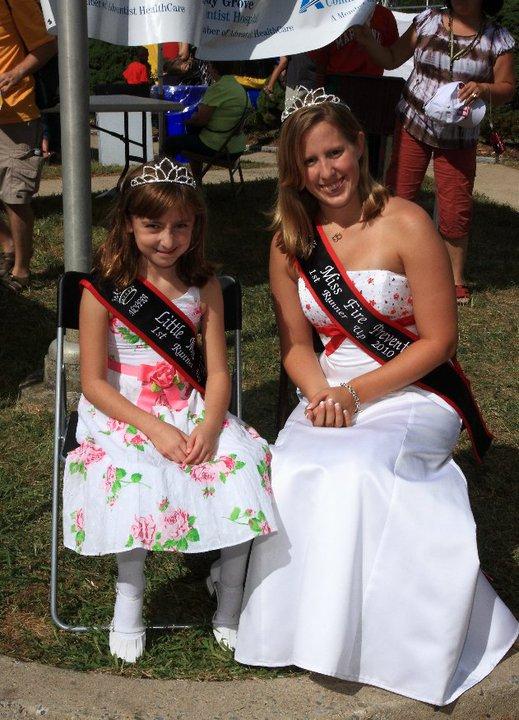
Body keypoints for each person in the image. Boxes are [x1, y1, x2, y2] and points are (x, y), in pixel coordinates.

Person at [234, 89, 518, 705]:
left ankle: (397, 639)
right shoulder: (290, 240)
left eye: (334, 152)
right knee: (296, 467)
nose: (326, 171)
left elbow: (440, 341)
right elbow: (296, 347)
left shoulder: (408, 223)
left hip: (412, 388)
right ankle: (304, 632)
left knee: (361, 468)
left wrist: (354, 395)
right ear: (294, 170)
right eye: (309, 162)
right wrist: (320, 395)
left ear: (360, 146)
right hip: (330, 386)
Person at [62, 157, 275, 662]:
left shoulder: (205, 290)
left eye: (181, 225)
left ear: (195, 227)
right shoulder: (102, 292)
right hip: (124, 413)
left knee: (244, 467)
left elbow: (219, 373)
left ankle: (229, 600)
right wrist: (154, 429)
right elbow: (92, 382)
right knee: (136, 475)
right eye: (152, 225)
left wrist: (210, 423)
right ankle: (130, 594)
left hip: (191, 408)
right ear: (128, 224)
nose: (167, 239)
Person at [353, 0, 516, 305]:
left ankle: (454, 280)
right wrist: (366, 41)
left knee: (456, 205)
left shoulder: (497, 38)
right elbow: (390, 59)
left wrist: (483, 88)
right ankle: (390, 264)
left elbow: (507, 87)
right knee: (397, 195)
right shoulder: (427, 20)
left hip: (459, 135)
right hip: (413, 124)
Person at [0, 0, 57, 292]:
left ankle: (21, 270)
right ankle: (8, 243)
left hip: (15, 112)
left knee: (15, 196)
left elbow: (47, 45)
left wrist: (15, 73)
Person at [163, 61, 249, 181]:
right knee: (193, 136)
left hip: (217, 147)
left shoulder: (218, 88)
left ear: (215, 69)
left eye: (209, 67)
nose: (207, 70)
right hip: (236, 147)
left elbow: (201, 120)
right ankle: (197, 181)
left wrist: (186, 121)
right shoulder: (240, 89)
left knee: (170, 143)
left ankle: (168, 181)